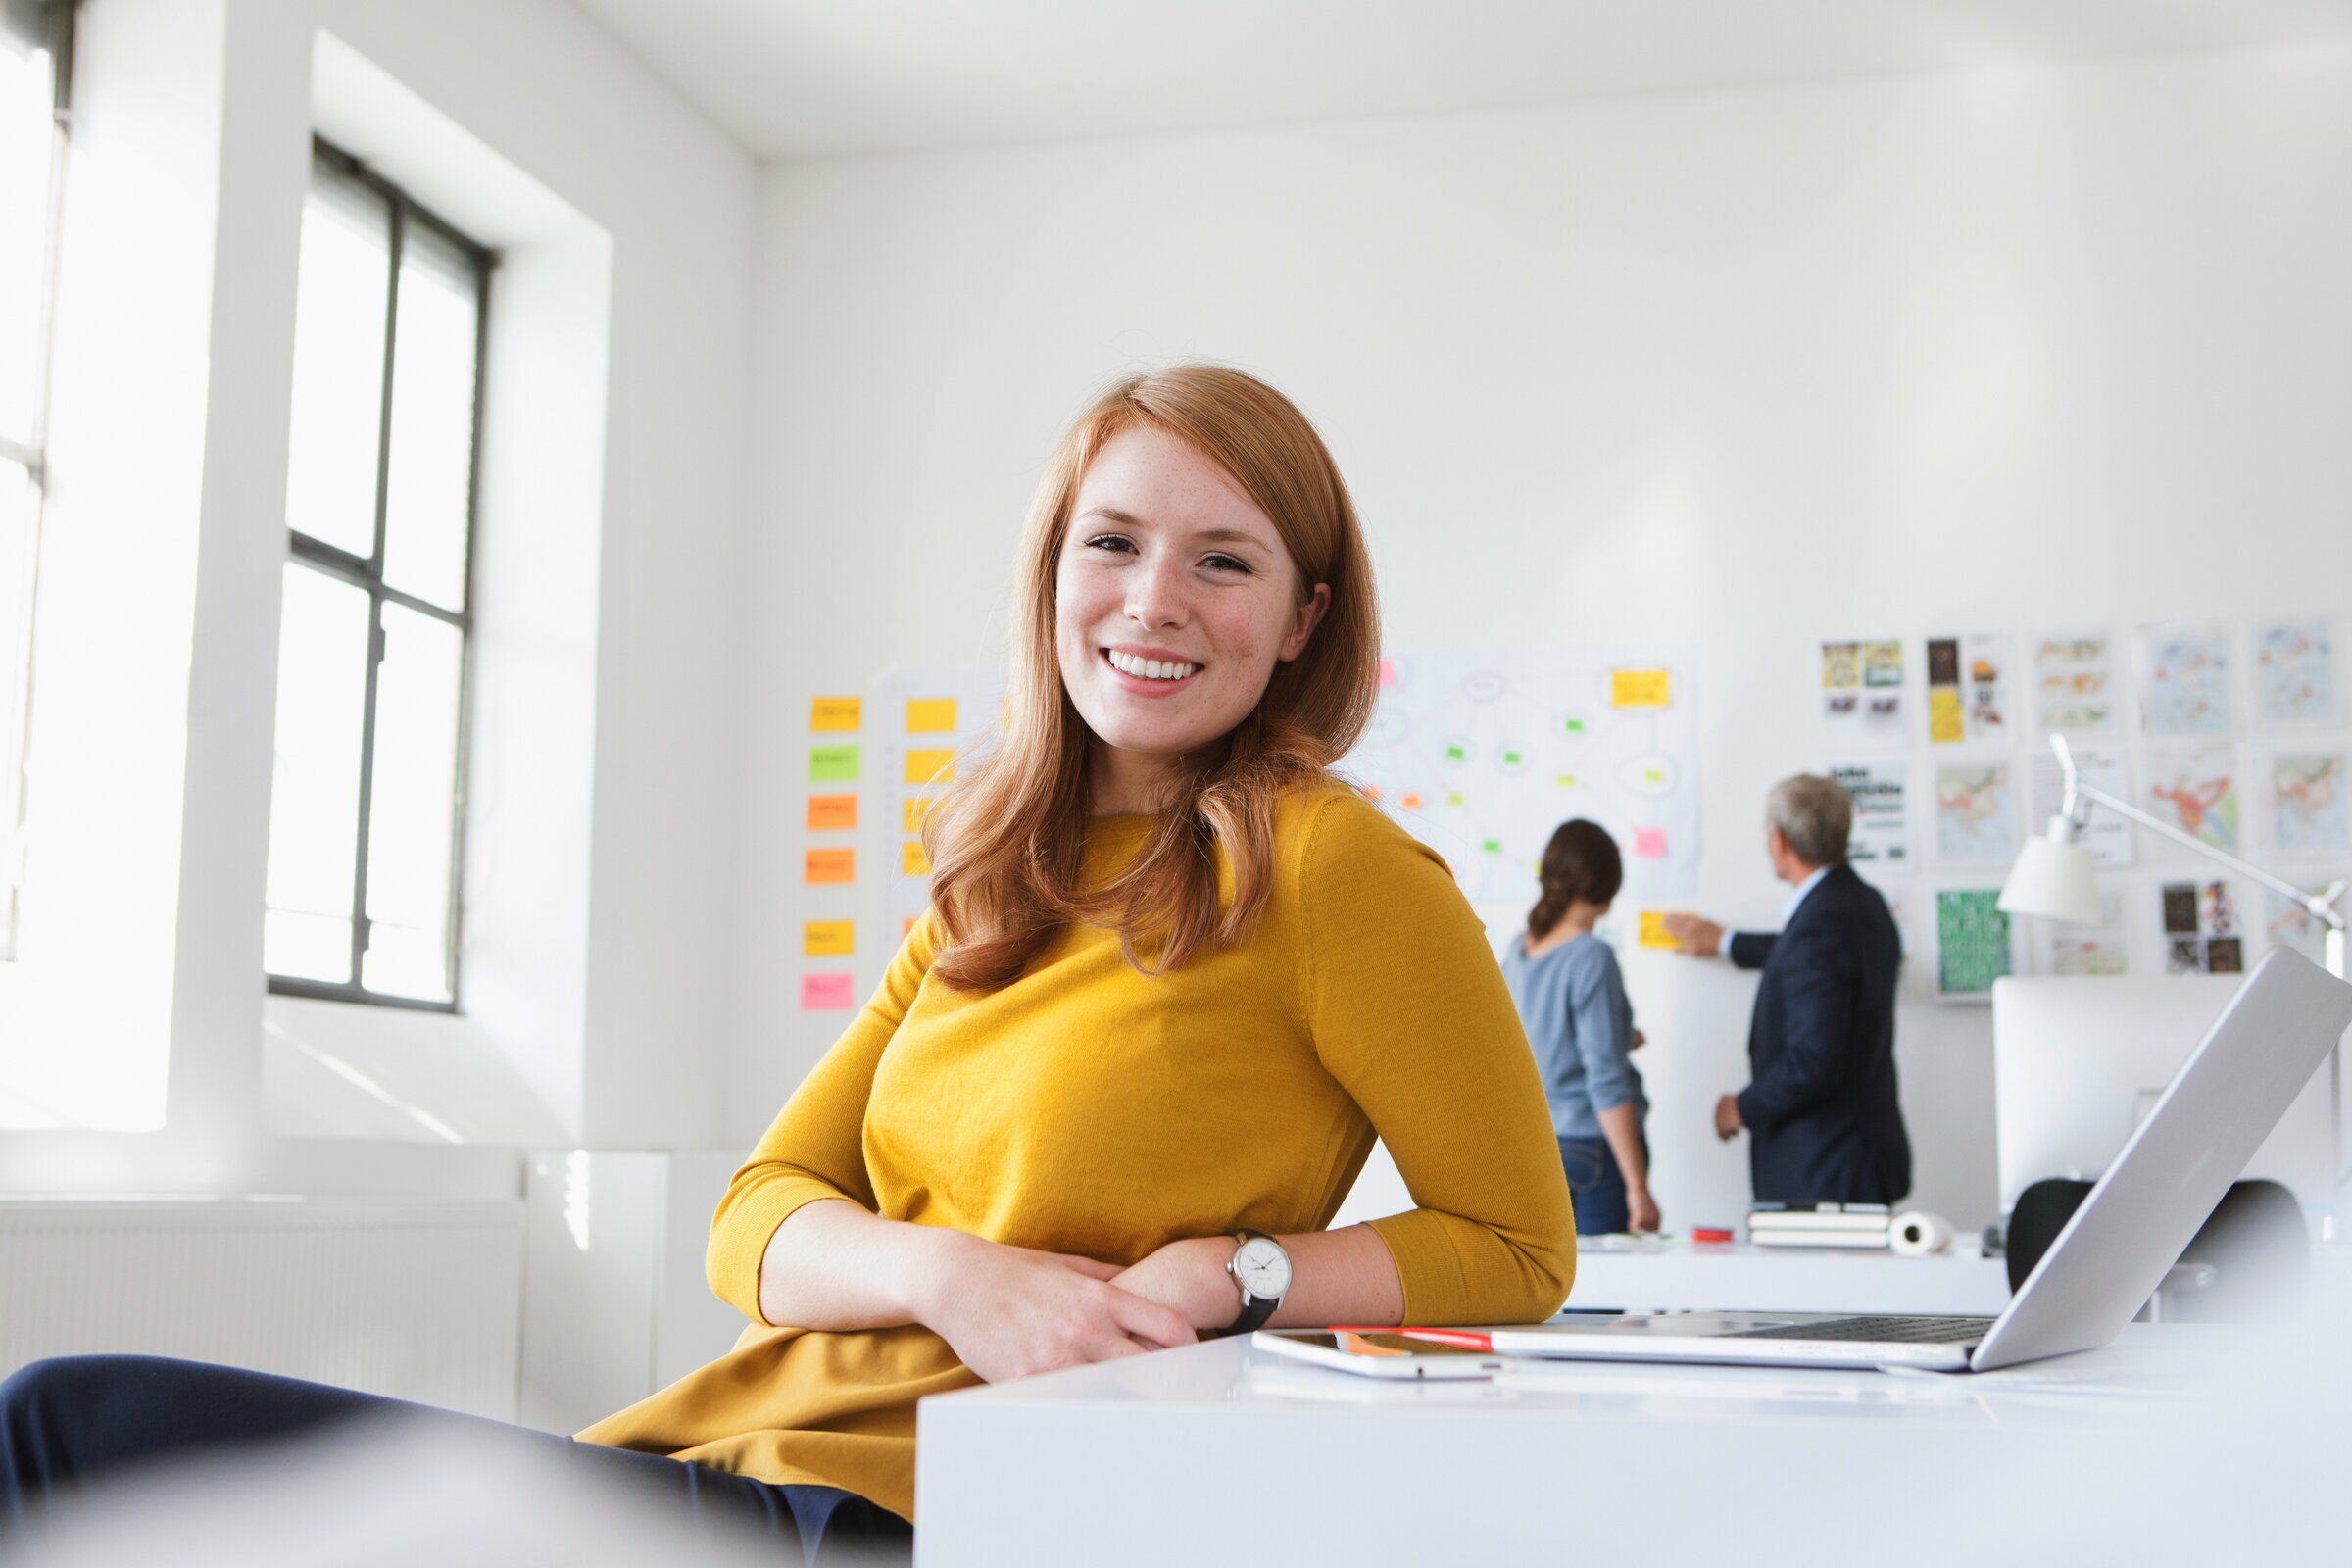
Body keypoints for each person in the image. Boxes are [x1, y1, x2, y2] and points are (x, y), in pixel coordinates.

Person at [0, 366, 1575, 1555]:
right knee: (82, 1446)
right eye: (1115, 542)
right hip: (701, 1461)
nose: (1155, 601)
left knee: (67, 1429)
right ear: (1053, 575)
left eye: (1224, 562)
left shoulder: (1334, 868)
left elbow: (1517, 1248)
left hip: (880, 1516)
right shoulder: (991, 884)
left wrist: (1243, 1276)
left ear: (1302, 618)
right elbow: (756, 1224)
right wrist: (954, 1276)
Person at [1661, 773, 1909, 1206]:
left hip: (1824, 1172)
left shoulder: (1819, 929)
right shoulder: (1865, 905)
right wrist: (1726, 941)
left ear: (1778, 842)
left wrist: (1742, 1107)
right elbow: (1810, 959)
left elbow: (1813, 1061)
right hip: (1857, 1160)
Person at [1502, 820, 1656, 1236]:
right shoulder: (1591, 956)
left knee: (1562, 1294)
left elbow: (1538, 1044)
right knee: (1603, 1294)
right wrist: (1638, 1187)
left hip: (1540, 1149)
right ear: (1607, 890)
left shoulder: (1520, 951)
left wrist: (1621, 1035)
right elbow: (1606, 1082)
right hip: (1592, 1152)